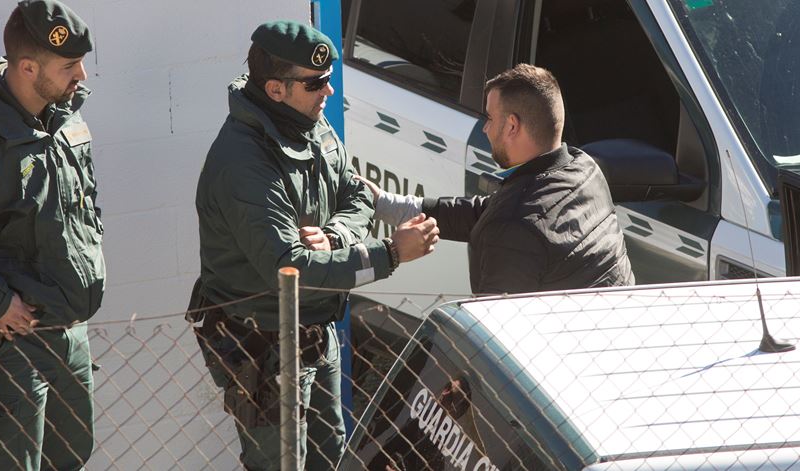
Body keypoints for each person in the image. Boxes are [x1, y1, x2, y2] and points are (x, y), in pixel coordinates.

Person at [192, 20, 439, 470]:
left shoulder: (312, 122)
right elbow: (291, 268)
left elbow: (358, 192)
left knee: (329, 454)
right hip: (264, 344)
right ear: (275, 89)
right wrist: (391, 254)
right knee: (281, 463)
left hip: (316, 330)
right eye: (316, 84)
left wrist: (337, 237)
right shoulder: (243, 162)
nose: (328, 92)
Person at [0, 1, 104, 469]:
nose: (81, 74)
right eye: (69, 66)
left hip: (70, 330)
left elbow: (85, 203)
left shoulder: (70, 117)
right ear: (26, 67)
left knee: (71, 456)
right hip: (8, 342)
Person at [359, 63, 634, 295]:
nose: (486, 129)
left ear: (512, 126)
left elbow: (491, 341)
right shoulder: (583, 169)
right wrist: (382, 201)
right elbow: (487, 211)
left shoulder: (514, 229)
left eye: (490, 118)